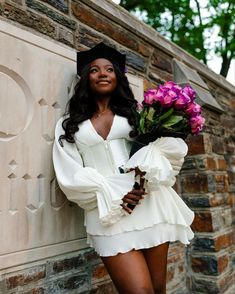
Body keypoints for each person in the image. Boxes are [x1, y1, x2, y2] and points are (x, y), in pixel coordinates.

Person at [53, 42, 194, 294]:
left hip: (148, 202)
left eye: (109, 69)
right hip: (108, 213)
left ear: (118, 76)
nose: (103, 73)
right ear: (86, 78)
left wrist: (141, 183)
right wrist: (117, 194)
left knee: (158, 288)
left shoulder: (137, 115)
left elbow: (163, 153)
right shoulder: (69, 124)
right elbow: (70, 172)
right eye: (94, 70)